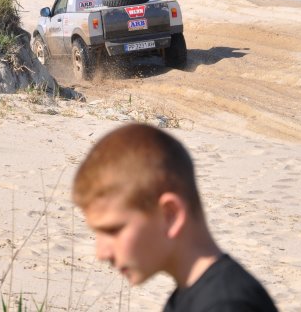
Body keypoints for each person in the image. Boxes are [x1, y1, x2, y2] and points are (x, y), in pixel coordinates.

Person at [72, 122, 278, 312]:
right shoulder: (190, 296)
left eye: (113, 230)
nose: (101, 253)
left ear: (170, 215)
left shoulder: (227, 306)